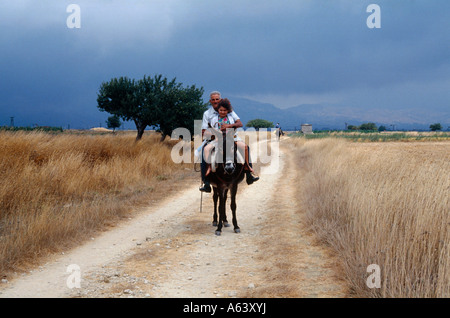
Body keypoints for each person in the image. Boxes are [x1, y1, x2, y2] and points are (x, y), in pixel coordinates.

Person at [199, 92, 258, 192]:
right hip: (215, 139)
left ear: (220, 99)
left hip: (232, 137)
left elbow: (239, 123)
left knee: (245, 147)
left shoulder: (229, 111)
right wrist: (216, 134)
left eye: (217, 99)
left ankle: (248, 173)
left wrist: (229, 126)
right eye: (213, 99)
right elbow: (204, 132)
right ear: (210, 101)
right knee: (204, 151)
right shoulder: (208, 114)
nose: (215, 101)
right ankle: (206, 180)